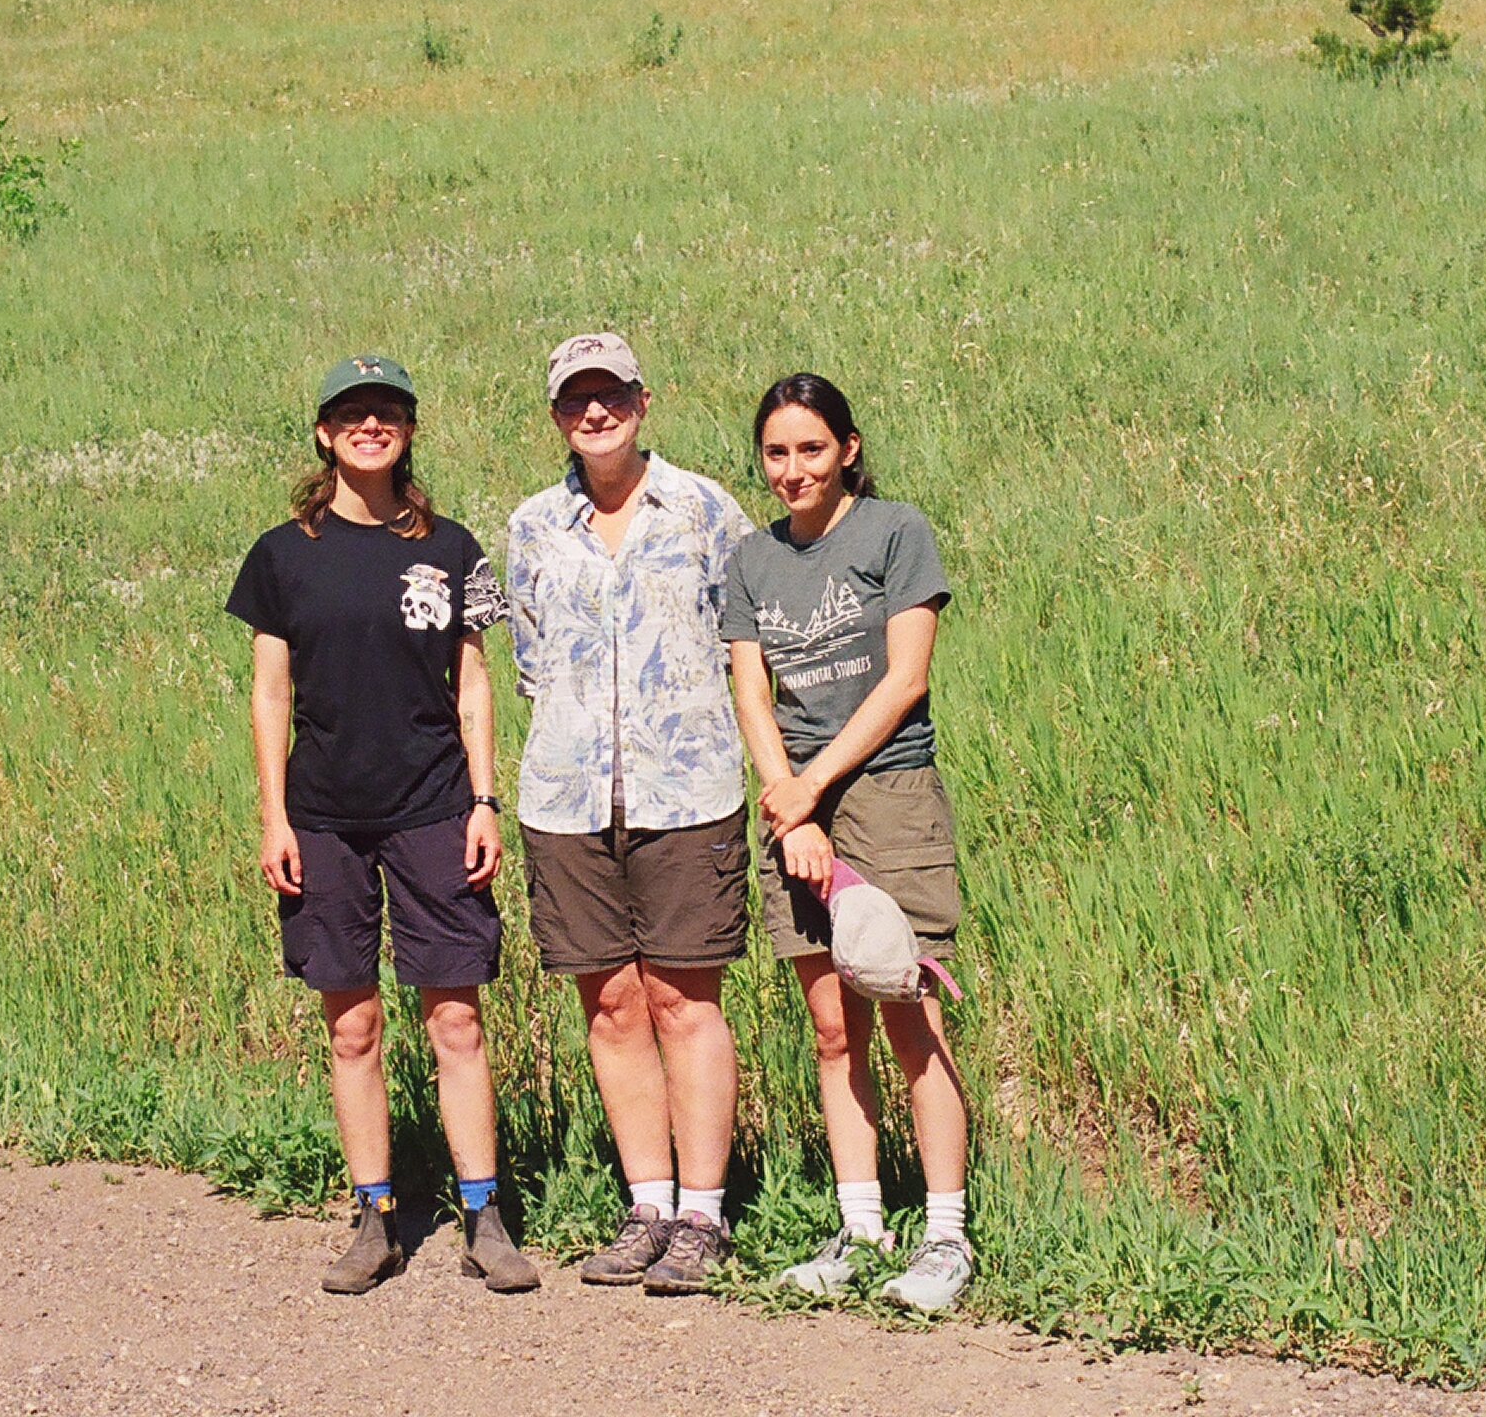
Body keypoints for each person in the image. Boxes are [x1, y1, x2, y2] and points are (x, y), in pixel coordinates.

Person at [224, 353, 541, 1297]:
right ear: (323, 433)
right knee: (352, 1024)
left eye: (387, 413)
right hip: (323, 816)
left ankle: (485, 1215)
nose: (370, 427)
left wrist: (485, 801)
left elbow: (474, 684)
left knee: (455, 1015)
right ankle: (376, 1215)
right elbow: (269, 690)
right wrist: (274, 815)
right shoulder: (282, 556)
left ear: (408, 431)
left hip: (436, 806)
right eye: (351, 414)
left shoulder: (450, 547)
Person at [504, 332, 757, 1296]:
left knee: (684, 1001)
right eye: (577, 399)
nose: (595, 412)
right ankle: (646, 1203)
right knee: (609, 1003)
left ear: (644, 401)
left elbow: (742, 642)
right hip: (567, 793)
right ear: (558, 415)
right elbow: (531, 660)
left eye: (611, 394)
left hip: (689, 789)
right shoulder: (533, 526)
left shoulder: (704, 510)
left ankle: (704, 1216)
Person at [721, 372, 975, 1315]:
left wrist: (812, 789)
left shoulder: (896, 532)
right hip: (796, 807)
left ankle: (946, 1236)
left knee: (910, 1012)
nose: (794, 470)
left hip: (887, 795)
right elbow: (753, 693)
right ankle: (861, 1229)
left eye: (812, 449)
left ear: (849, 449)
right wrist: (787, 806)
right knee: (833, 1028)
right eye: (778, 453)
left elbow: (905, 679)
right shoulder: (751, 560)